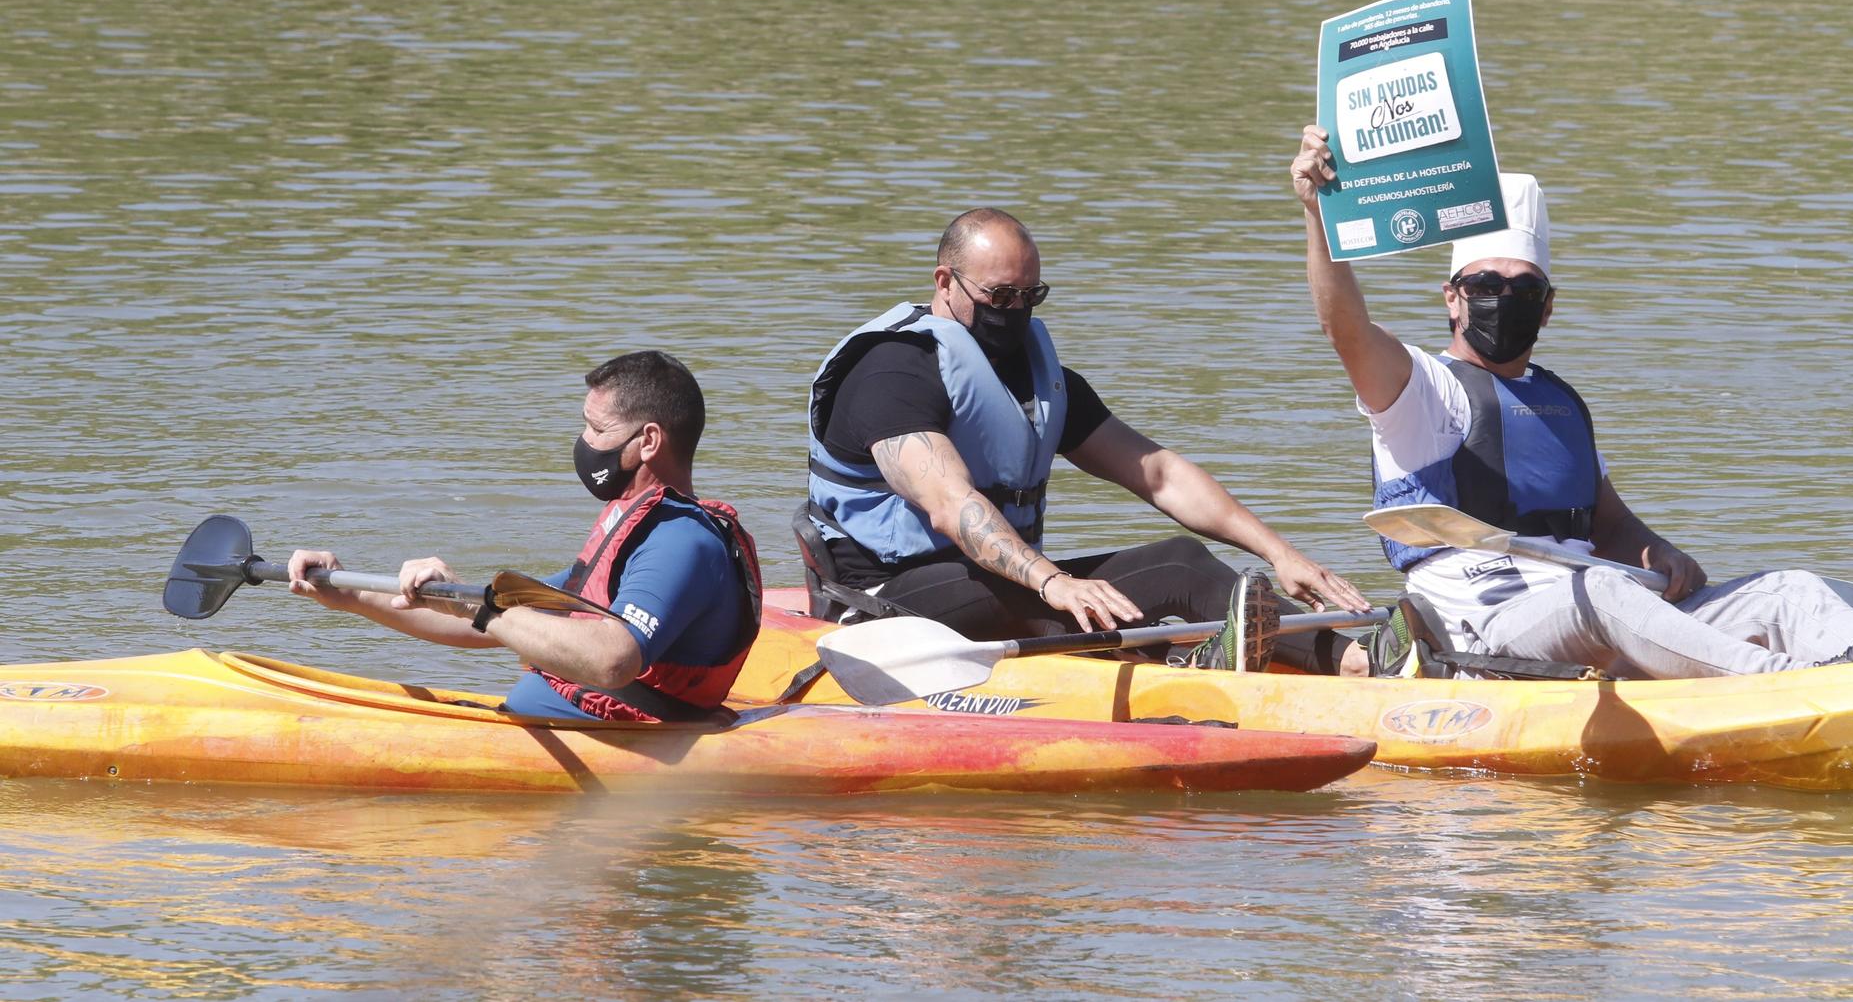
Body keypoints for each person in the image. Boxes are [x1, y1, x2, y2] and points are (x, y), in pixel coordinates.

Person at [1288, 124, 1853, 678]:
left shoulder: (1560, 404)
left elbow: (1610, 524)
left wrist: (1657, 551)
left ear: (1549, 306)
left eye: (1523, 287)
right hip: (1492, 628)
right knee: (1607, 593)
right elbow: (1345, 329)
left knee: (1789, 590)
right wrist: (1319, 211)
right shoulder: (1420, 389)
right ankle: (1789, 685)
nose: (1504, 296)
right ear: (1452, 297)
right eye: (1485, 284)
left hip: (1606, 601)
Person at [804, 207, 1371, 675]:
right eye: (1000, 297)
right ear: (945, 282)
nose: (1016, 313)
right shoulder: (892, 373)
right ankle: (1184, 671)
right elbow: (953, 506)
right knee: (1072, 618)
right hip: (882, 605)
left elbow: (1159, 474)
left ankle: (1364, 664)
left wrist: (1281, 553)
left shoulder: (1039, 380)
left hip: (1002, 582)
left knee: (1181, 563)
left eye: (1032, 296)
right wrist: (1054, 581)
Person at [287, 351, 762, 720]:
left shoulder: (680, 541)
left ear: (650, 442)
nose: (585, 443)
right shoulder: (637, 528)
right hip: (556, 727)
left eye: (597, 429)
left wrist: (483, 609)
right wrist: (348, 592)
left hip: (618, 743)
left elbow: (613, 661)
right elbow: (497, 622)